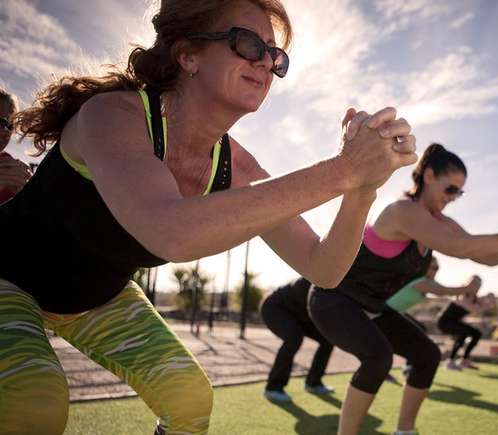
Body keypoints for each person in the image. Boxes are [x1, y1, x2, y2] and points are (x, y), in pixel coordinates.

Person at [0, 0, 417, 433]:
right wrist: (345, 168)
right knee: (34, 404)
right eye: (248, 42)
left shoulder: (238, 166)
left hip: (95, 297)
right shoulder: (115, 115)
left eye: (275, 55)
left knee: (190, 398)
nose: (265, 62)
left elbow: (324, 267)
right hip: (8, 275)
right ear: (188, 55)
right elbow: (172, 232)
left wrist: (362, 188)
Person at [309, 143, 498, 435]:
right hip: (333, 298)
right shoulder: (402, 212)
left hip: (373, 307)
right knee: (378, 358)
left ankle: (405, 431)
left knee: (427, 355)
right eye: (450, 189)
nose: (453, 198)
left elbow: (488, 257)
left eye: (459, 192)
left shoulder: (442, 223)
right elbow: (463, 248)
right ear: (428, 176)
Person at [261, 277, 335, 402]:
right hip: (275, 307)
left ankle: (313, 383)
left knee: (327, 339)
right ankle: (273, 388)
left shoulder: (340, 286)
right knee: (294, 337)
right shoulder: (317, 279)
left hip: (301, 314)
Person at [437, 292, 496, 370]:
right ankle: (449, 362)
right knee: (464, 332)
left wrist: (490, 300)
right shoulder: (463, 296)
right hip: (444, 322)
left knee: (476, 334)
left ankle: (464, 360)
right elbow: (474, 308)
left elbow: (489, 307)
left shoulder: (474, 300)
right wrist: (485, 300)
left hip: (454, 322)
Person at [0, 88, 32, 204]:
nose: (5, 131)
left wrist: (25, 194)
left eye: (9, 125)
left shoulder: (12, 169)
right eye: (0, 122)